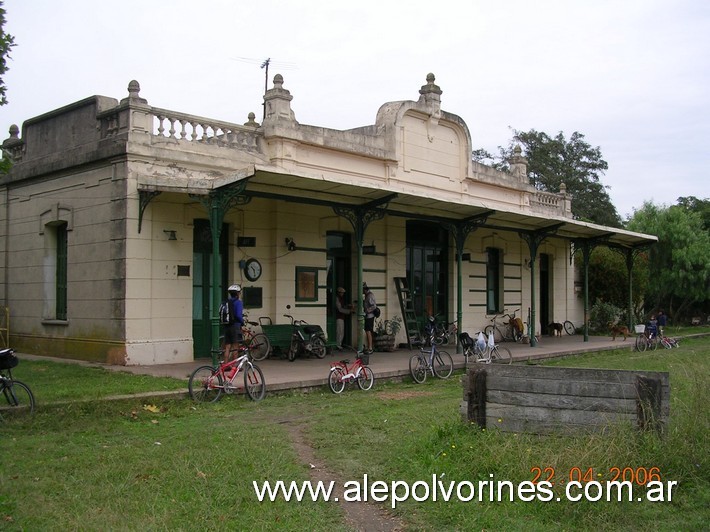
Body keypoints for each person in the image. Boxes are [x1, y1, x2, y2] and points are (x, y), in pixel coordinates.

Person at [223, 284, 244, 363]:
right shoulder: (238, 303)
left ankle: (225, 364)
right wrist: (242, 322)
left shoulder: (227, 302)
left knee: (227, 347)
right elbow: (238, 315)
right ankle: (234, 366)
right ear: (238, 293)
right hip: (235, 326)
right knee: (235, 347)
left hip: (227, 326)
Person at [362, 282, 377, 354]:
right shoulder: (367, 295)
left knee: (368, 331)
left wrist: (367, 311)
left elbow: (373, 306)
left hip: (370, 316)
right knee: (368, 330)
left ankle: (370, 347)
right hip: (368, 316)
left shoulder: (369, 296)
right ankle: (370, 346)